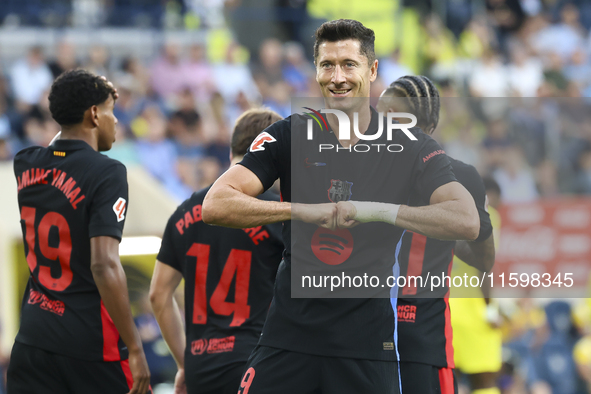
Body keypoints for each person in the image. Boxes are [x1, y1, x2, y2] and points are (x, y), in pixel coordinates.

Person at [202, 19, 480, 394]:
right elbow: (216, 204)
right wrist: (301, 210)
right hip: (288, 339)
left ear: (372, 69)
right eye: (327, 65)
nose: (338, 77)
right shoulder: (289, 133)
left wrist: (375, 210)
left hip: (366, 348)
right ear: (315, 70)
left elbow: (466, 220)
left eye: (349, 64)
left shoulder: (411, 146)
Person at [7, 69, 151, 394]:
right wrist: (135, 346)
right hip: (89, 344)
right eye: (112, 111)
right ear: (95, 114)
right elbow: (104, 264)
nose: (117, 121)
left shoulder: (25, 163)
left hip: (32, 337)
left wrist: (75, 105)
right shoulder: (108, 172)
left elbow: (60, 150)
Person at [149, 108, 284, 394]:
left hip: (200, 366)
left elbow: (158, 295)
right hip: (255, 363)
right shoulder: (274, 210)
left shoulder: (184, 212)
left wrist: (184, 362)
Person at [376, 75, 496, 394]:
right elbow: (484, 256)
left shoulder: (354, 168)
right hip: (423, 331)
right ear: (431, 126)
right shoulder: (462, 176)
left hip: (363, 325)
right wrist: (445, 232)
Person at [450, 176, 503, 394]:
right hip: (474, 312)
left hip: (447, 308)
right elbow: (484, 268)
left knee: (450, 376)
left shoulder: (450, 213)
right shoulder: (488, 216)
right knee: (485, 380)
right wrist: (490, 310)